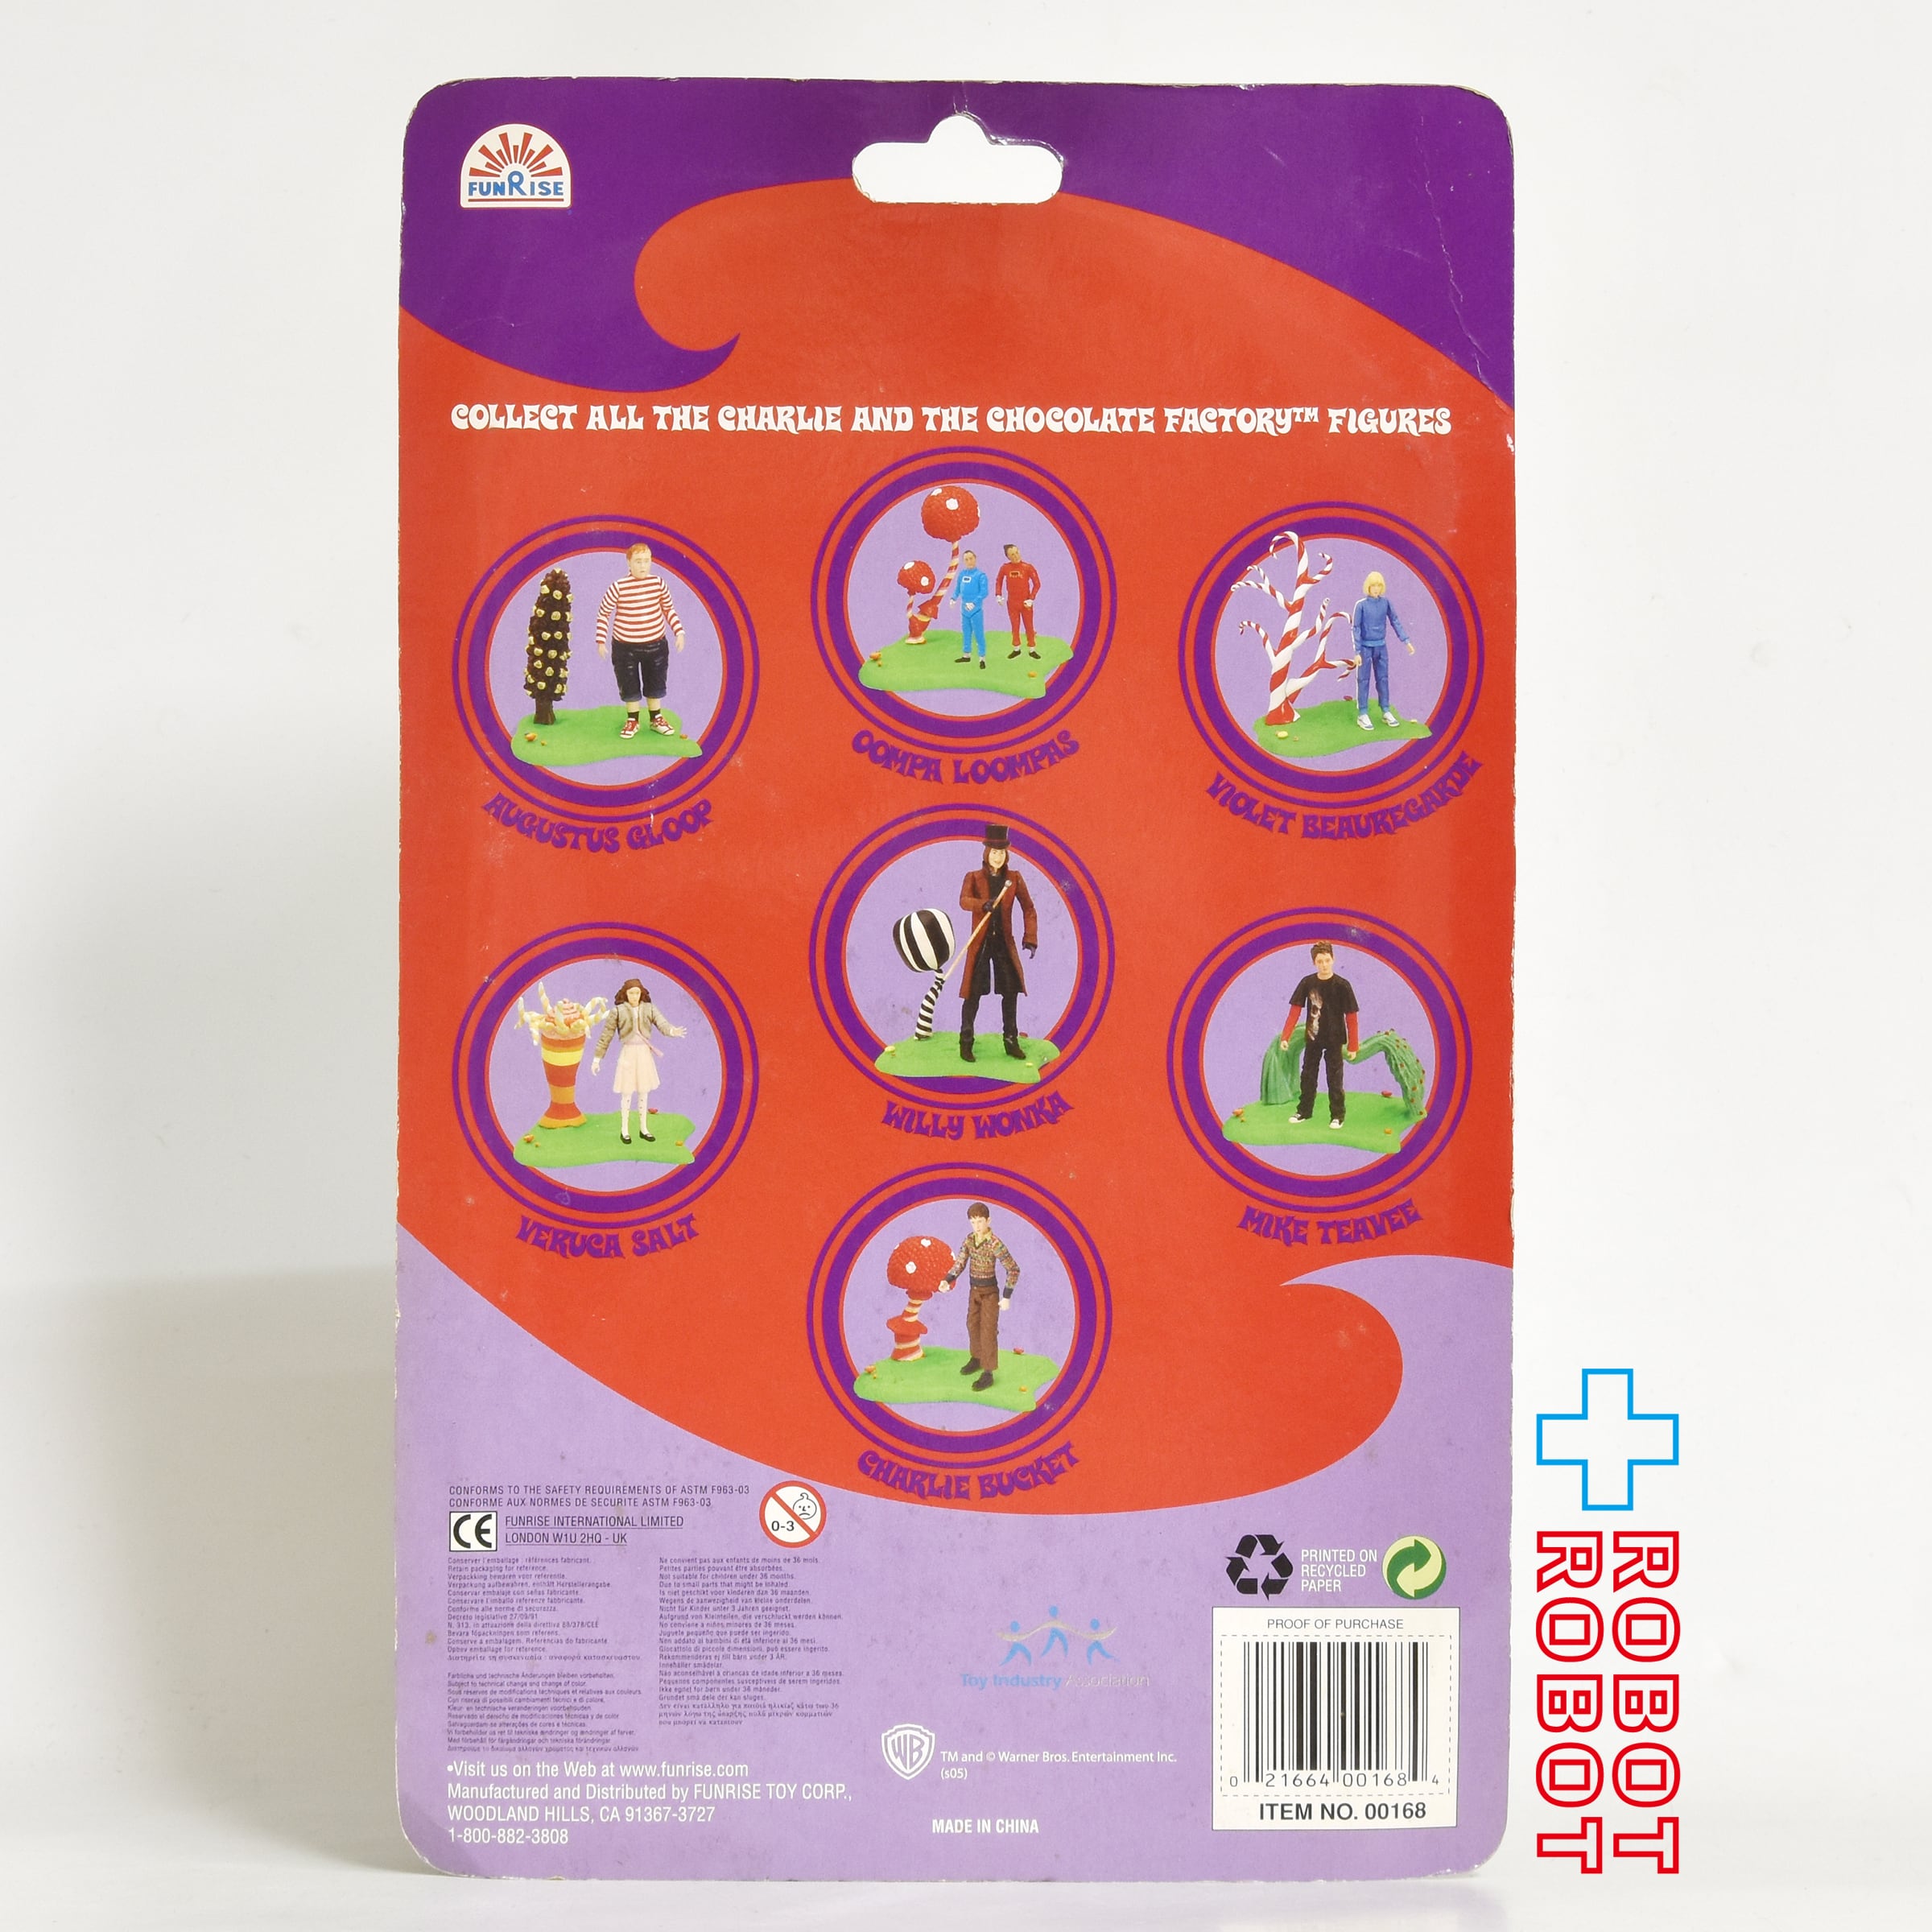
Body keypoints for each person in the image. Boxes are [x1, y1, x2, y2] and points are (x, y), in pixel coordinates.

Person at [957, 824, 1038, 1063]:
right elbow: (964, 901)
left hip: (1004, 943)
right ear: (986, 853)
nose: (998, 857)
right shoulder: (973, 877)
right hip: (981, 943)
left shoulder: (1014, 879)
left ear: (1006, 854)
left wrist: (1030, 938)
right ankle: (966, 1042)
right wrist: (982, 905)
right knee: (972, 993)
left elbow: (1029, 908)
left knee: (1010, 992)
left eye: (1002, 852)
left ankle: (1011, 1041)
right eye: (994, 852)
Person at [595, 543, 687, 740]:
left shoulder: (658, 584)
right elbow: (604, 613)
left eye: (646, 561)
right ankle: (632, 720)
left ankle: (656, 718)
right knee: (628, 683)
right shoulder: (618, 587)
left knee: (656, 682)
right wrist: (601, 641)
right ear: (629, 563)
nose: (643, 566)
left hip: (656, 645)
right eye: (638, 561)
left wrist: (679, 632)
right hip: (625, 647)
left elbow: (669, 609)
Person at [936, 1200, 1021, 1391]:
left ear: (988, 1221)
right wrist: (947, 1279)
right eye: (973, 1222)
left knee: (988, 1331)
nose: (977, 1226)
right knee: (972, 1325)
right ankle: (977, 1358)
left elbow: (1013, 1269)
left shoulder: (995, 1243)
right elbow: (960, 1262)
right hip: (974, 1291)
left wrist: (1006, 1296)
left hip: (990, 1294)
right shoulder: (969, 1240)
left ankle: (988, 1372)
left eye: (980, 1221)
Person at [590, 977, 687, 1144]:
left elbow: (662, 1023)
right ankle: (625, 1130)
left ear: (641, 993)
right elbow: (606, 1035)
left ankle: (644, 1129)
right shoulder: (618, 1011)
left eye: (637, 993)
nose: (634, 996)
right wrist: (597, 1059)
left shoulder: (649, 1008)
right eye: (631, 993)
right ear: (625, 994)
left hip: (644, 1054)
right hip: (628, 1054)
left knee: (643, 1092)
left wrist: (672, 1031)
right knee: (627, 1093)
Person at [1282, 942, 1360, 1129]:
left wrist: (1353, 1046)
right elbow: (1295, 1011)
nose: (1324, 965)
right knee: (1308, 1075)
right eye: (1320, 961)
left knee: (1335, 1078)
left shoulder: (1342, 985)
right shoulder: (1307, 983)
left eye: (1327, 960)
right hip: (1313, 1036)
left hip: (1335, 1039)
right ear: (1314, 963)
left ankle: (1337, 1115)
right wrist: (1286, 1036)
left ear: (1333, 959)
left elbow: (1351, 1017)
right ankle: (1304, 1111)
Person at [1348, 570, 1414, 730]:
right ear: (1368, 587)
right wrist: (1357, 652)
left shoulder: (1386, 603)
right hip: (1365, 648)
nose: (1376, 589)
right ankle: (1363, 713)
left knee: (1383, 679)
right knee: (1363, 680)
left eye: (1379, 585)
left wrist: (1406, 640)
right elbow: (1356, 628)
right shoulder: (1361, 605)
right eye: (1373, 585)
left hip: (1381, 647)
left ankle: (1385, 710)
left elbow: (1395, 621)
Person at [995, 543, 1041, 658]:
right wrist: (998, 595)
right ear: (1008, 557)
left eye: (1016, 553)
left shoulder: (1028, 567)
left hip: (1026, 603)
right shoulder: (1005, 568)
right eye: (1012, 554)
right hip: (1012, 603)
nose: (1015, 556)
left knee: (1029, 626)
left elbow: (1037, 584)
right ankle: (1016, 648)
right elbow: (999, 581)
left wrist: (1031, 598)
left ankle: (1032, 649)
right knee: (1015, 626)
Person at [952, 550, 990, 667]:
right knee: (966, 633)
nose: (969, 561)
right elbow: (958, 589)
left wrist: (974, 603)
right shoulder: (962, 575)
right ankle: (966, 655)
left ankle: (982, 658)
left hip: (976, 610)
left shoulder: (981, 576)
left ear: (975, 558)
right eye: (966, 559)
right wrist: (953, 598)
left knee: (979, 634)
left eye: (971, 558)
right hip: (964, 610)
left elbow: (984, 592)